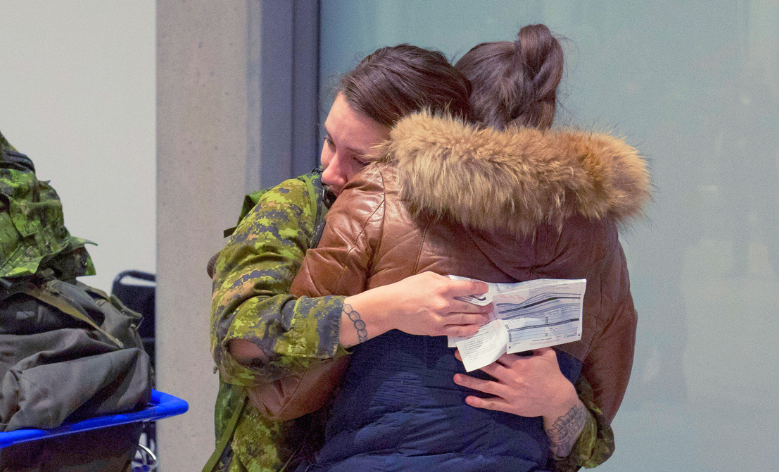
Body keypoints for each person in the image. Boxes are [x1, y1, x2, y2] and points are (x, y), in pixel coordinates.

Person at [289, 24, 649, 472]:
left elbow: (287, 391)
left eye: (358, 156)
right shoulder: (595, 237)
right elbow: (586, 444)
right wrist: (558, 400)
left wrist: (376, 315)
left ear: (445, 113)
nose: (330, 170)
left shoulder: (377, 199)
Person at [207, 44, 491, 472]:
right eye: (329, 141)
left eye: (360, 159)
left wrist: (558, 404)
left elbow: (586, 444)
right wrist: (385, 310)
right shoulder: (298, 207)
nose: (330, 171)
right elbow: (237, 341)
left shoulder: (480, 233)